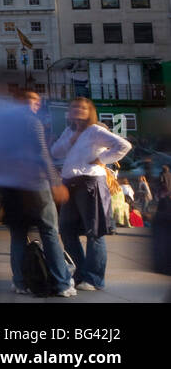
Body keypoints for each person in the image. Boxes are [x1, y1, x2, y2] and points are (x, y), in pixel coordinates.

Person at [0, 91, 74, 297]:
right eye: (32, 100)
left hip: (11, 187)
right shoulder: (32, 122)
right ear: (20, 102)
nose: (37, 104)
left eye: (38, 101)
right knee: (49, 231)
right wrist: (55, 182)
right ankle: (61, 283)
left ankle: (20, 282)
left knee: (18, 234)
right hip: (34, 184)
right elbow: (41, 153)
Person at [51, 96, 131, 291]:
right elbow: (55, 152)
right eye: (74, 106)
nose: (78, 109)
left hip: (90, 182)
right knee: (67, 230)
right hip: (70, 183)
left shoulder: (96, 130)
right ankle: (81, 272)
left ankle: (94, 278)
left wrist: (103, 159)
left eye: (82, 107)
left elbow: (124, 145)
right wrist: (72, 138)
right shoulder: (69, 131)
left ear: (90, 112)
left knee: (94, 232)